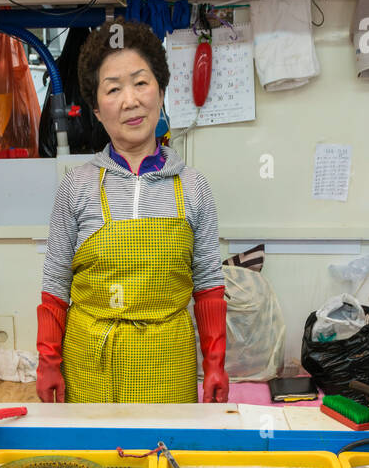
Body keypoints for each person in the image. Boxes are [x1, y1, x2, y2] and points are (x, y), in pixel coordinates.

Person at [36, 20, 228, 405]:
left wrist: (215, 363)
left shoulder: (195, 187)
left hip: (168, 365)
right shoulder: (76, 186)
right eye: (113, 89)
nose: (130, 100)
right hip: (90, 366)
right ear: (95, 108)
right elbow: (56, 286)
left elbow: (208, 286)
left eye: (141, 82)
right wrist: (48, 362)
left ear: (160, 91)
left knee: (164, 459)